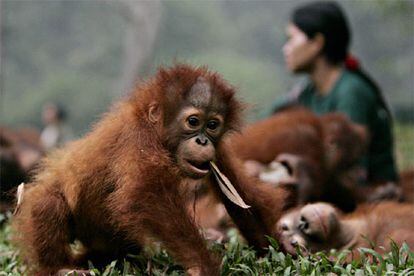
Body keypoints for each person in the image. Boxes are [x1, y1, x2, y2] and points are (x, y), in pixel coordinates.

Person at [268, 1, 398, 188]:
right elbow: (268, 122)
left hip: (369, 196)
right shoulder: (304, 92)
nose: (285, 48)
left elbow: (351, 171)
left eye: (291, 39)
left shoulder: (352, 91)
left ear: (317, 43)